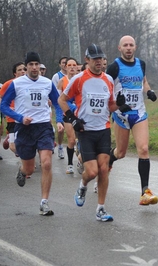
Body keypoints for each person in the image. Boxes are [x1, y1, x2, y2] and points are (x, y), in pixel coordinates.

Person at [58, 44, 117, 222]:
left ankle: (100, 209)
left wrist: (120, 104)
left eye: (101, 58)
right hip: (86, 130)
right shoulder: (79, 79)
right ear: (87, 60)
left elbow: (111, 105)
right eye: (95, 58)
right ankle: (83, 185)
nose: (99, 61)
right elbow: (62, 100)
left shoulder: (108, 79)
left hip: (104, 129)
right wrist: (72, 118)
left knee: (104, 169)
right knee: (91, 172)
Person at [0, 52, 64, 216]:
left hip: (43, 126)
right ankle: (22, 171)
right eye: (31, 65)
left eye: (37, 64)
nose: (34, 67)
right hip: (25, 128)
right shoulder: (17, 84)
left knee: (46, 163)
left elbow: (58, 103)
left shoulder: (47, 83)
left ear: (40, 67)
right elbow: (4, 106)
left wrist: (59, 120)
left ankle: (44, 202)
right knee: (29, 169)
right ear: (26, 67)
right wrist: (19, 117)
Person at [107, 35, 158, 205]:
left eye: (131, 45)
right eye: (125, 45)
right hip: (121, 115)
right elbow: (106, 88)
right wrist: (117, 105)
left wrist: (148, 91)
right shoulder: (114, 67)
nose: (128, 48)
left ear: (135, 47)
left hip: (139, 113)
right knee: (120, 153)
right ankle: (108, 161)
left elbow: (144, 81)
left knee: (143, 149)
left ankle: (145, 191)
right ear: (119, 48)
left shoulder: (141, 64)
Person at [0, 62, 27, 157]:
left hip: (25, 118)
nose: (23, 72)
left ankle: (25, 160)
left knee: (26, 143)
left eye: (24, 69)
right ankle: (23, 156)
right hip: (12, 118)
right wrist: (7, 108)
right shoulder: (9, 83)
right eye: (19, 70)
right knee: (13, 146)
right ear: (15, 73)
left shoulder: (30, 83)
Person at [56, 57, 79, 174]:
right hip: (67, 114)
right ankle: (70, 164)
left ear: (77, 67)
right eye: (69, 65)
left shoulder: (81, 80)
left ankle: (81, 159)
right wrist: (58, 120)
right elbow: (59, 101)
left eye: (73, 65)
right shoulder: (62, 81)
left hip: (80, 114)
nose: (71, 67)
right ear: (65, 67)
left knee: (81, 139)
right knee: (71, 140)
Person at [52, 56, 68, 159]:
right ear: (60, 64)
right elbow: (54, 92)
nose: (65, 65)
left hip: (71, 104)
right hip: (60, 104)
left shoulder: (74, 75)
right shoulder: (56, 76)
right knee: (61, 128)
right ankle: (61, 146)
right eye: (63, 63)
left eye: (67, 63)